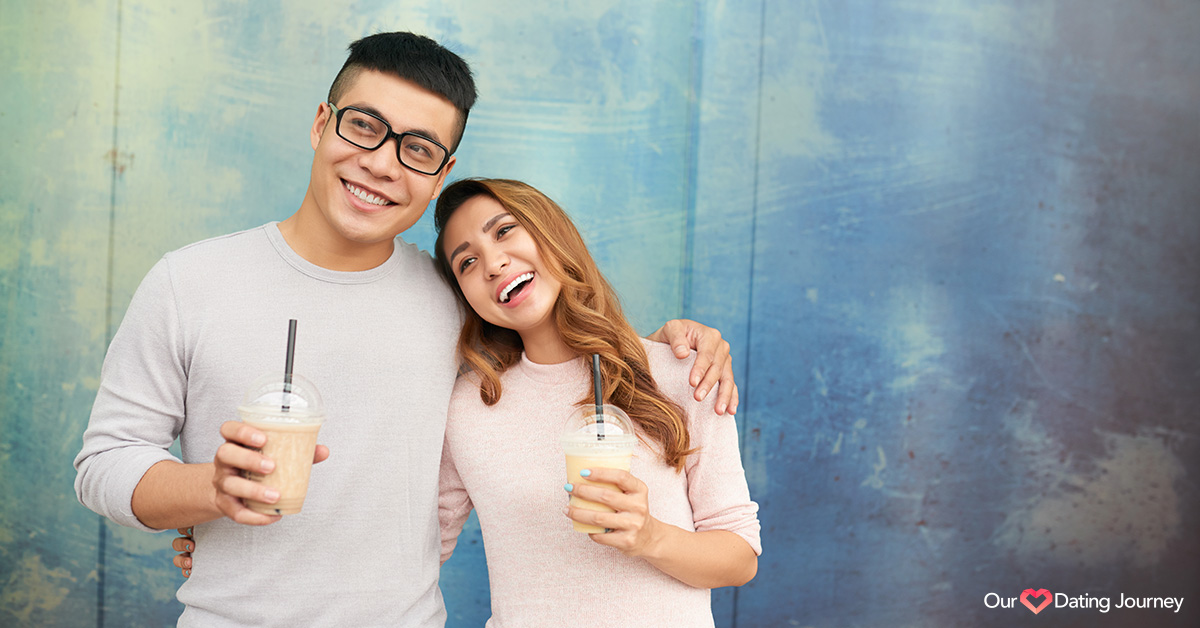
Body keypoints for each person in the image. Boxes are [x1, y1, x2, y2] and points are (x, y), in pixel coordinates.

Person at [74, 32, 737, 627]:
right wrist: (208, 490)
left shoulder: (457, 300)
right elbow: (106, 463)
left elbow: (555, 352)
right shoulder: (189, 282)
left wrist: (675, 346)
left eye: (417, 149)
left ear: (439, 174)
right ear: (320, 124)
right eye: (364, 126)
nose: (382, 164)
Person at [433, 179, 760, 626]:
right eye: (467, 262)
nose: (492, 263)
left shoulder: (685, 373)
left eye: (505, 230)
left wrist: (649, 536)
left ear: (552, 231)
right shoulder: (469, 407)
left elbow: (740, 558)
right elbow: (422, 548)